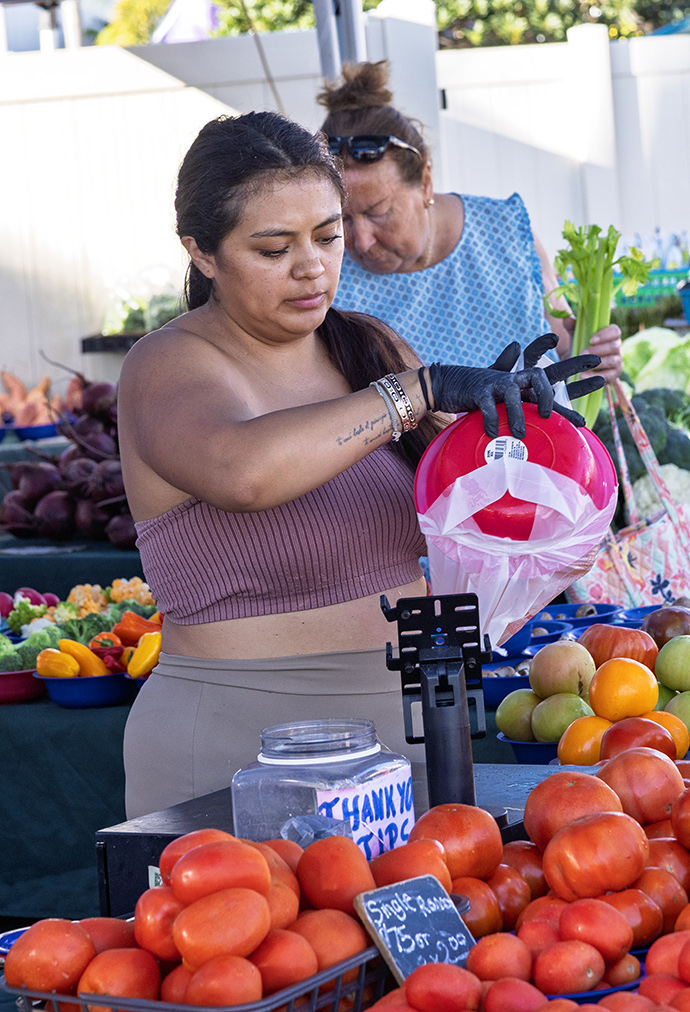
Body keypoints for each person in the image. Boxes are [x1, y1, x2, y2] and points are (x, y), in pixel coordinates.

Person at [118, 110, 603, 817]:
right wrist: (420, 390)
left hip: (408, 738)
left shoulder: (369, 347)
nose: (312, 266)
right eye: (274, 248)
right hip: (236, 745)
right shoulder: (166, 364)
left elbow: (480, 504)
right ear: (202, 252)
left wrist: (525, 439)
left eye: (327, 235)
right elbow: (243, 473)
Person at [319, 62, 623, 381]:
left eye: (378, 212)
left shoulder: (507, 232)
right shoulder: (328, 276)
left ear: (425, 182)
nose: (360, 241)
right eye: (341, 221)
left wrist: (597, 356)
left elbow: (565, 350)